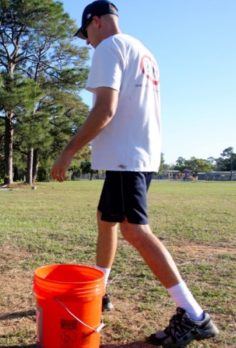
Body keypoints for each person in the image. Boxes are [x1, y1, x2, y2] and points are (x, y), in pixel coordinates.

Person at [51, 1, 218, 346]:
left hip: (127, 157)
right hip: (135, 154)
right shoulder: (143, 49)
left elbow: (105, 109)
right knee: (106, 219)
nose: (86, 42)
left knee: (135, 230)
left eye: (86, 34)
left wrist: (68, 152)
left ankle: (194, 315)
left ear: (96, 22)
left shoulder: (109, 47)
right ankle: (101, 290)